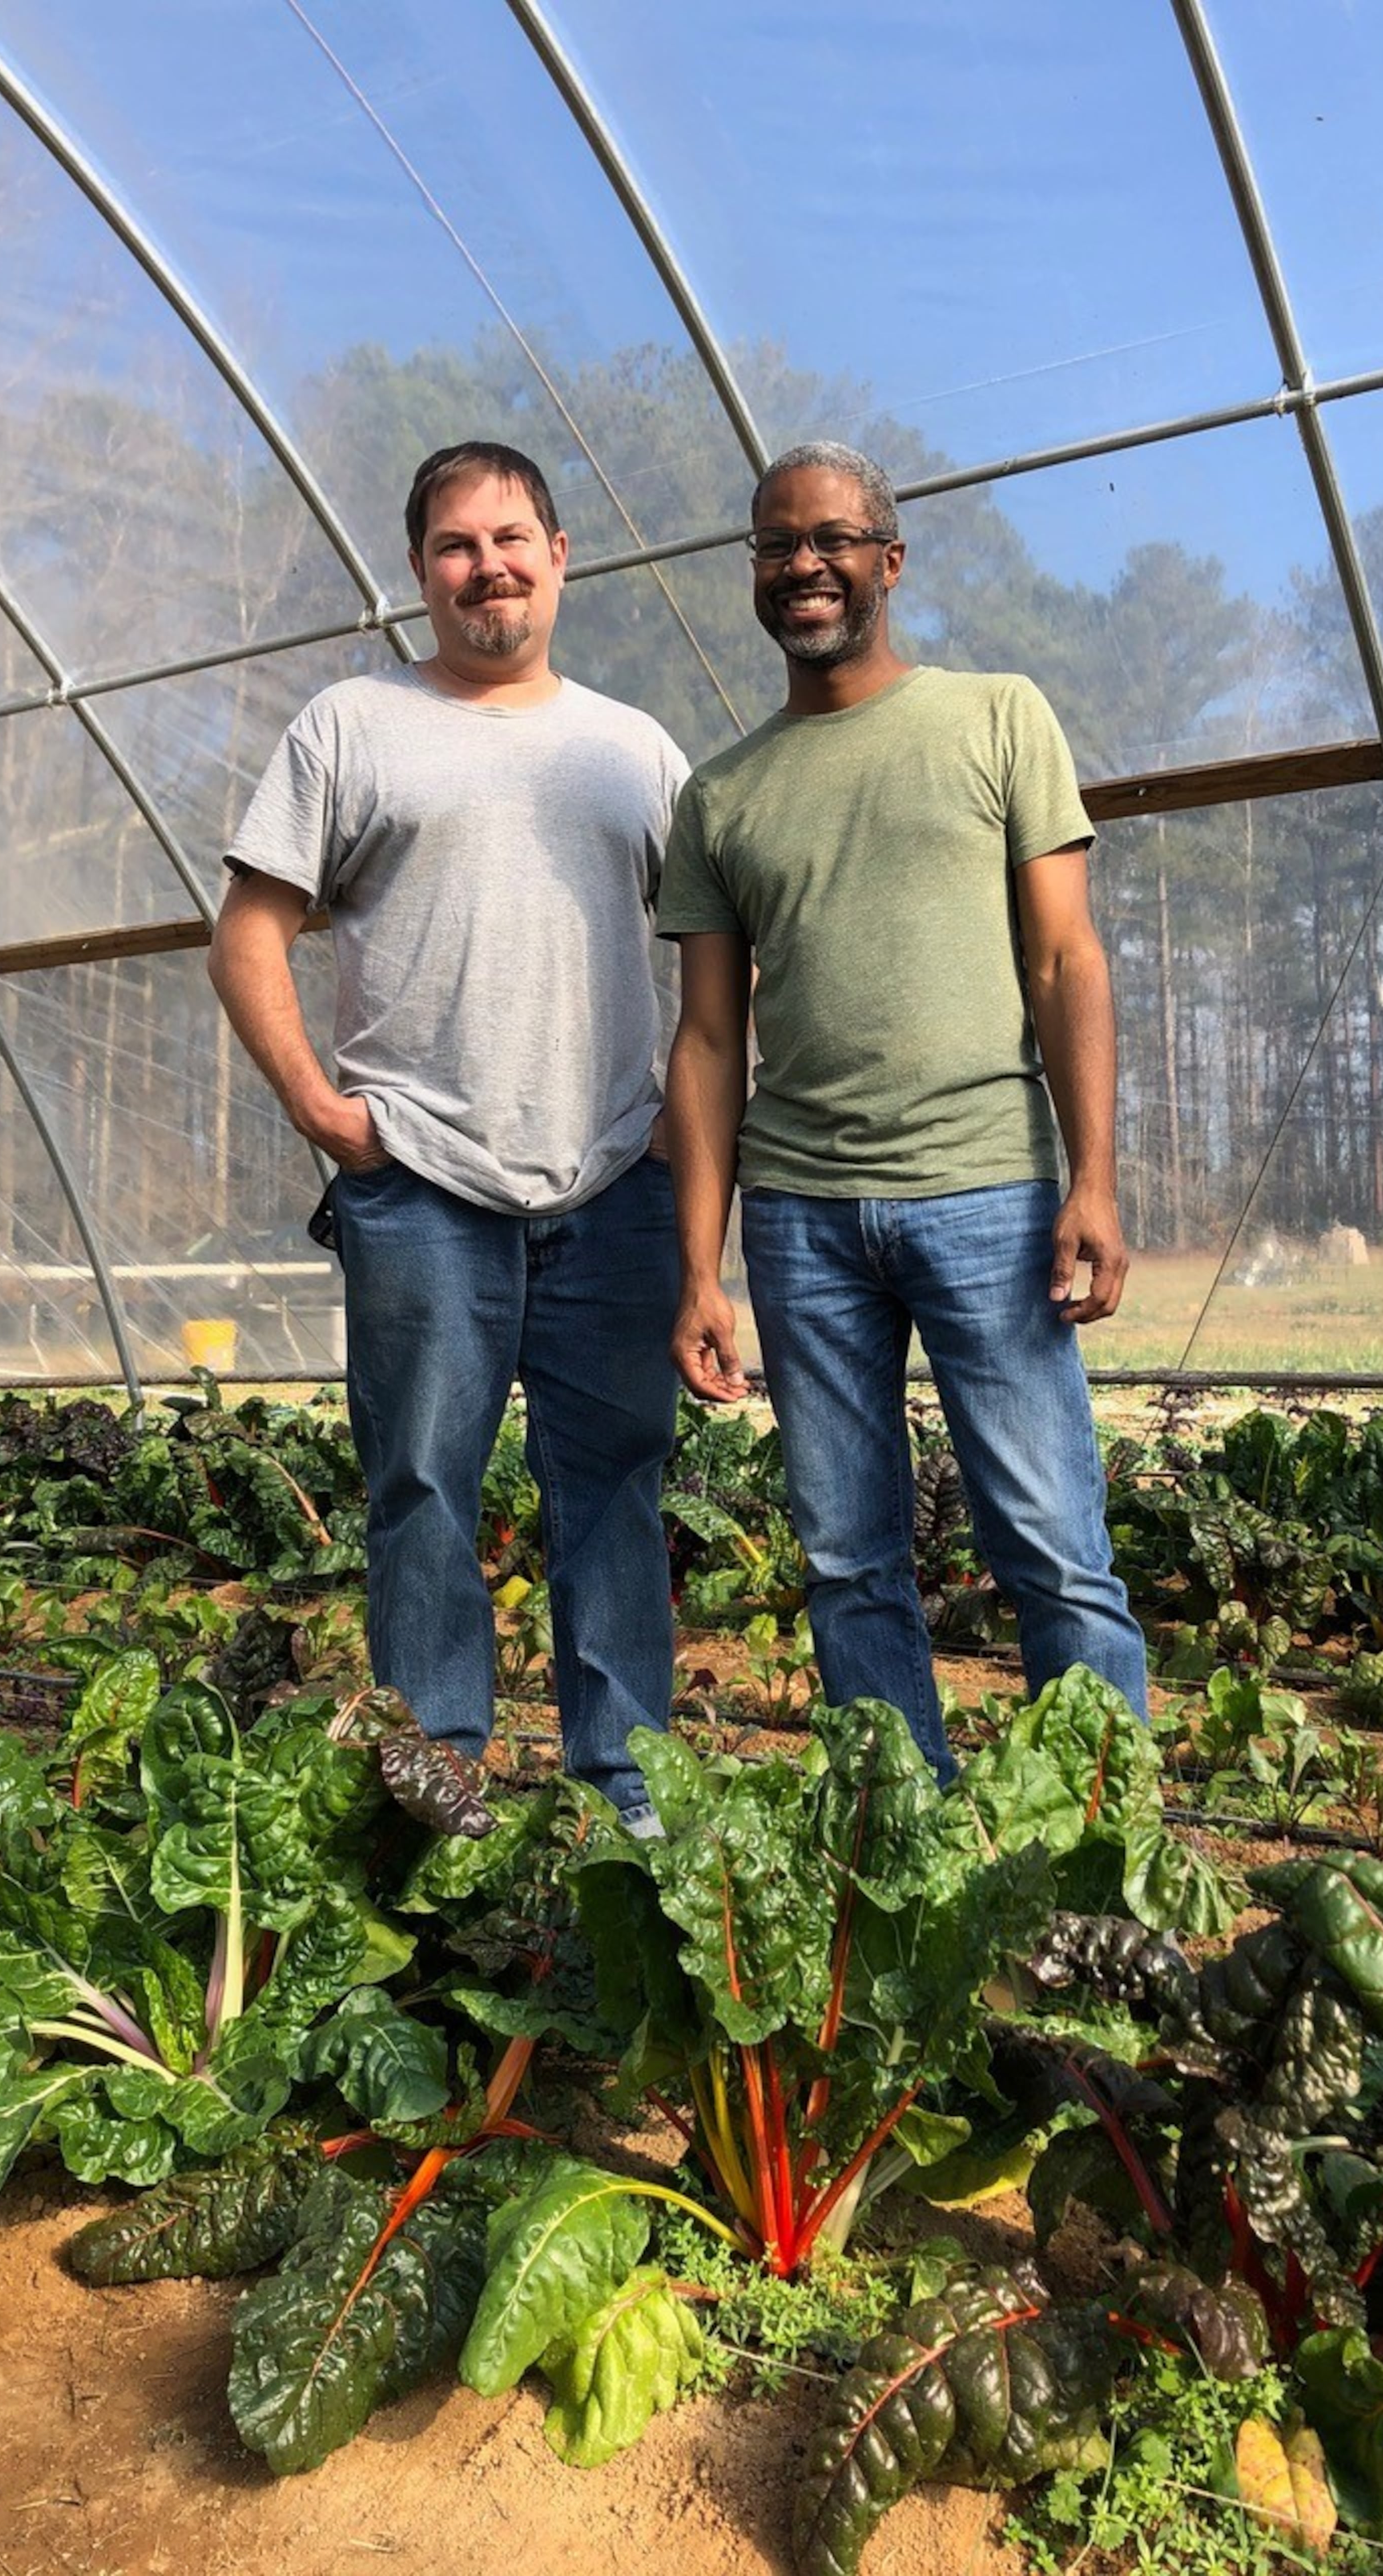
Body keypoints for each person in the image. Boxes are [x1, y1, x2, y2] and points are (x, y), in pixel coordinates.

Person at [210, 439, 686, 1835]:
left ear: (561, 555)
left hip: (612, 1183)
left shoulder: (632, 748)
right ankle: (444, 1784)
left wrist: (689, 1123)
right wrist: (322, 1110)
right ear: (420, 573)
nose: (489, 565)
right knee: (421, 1487)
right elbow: (247, 939)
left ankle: (628, 1796)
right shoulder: (352, 727)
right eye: (457, 546)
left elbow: (723, 955)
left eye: (513, 537)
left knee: (613, 1488)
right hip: (417, 1183)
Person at [658, 440, 1147, 1782]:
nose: (802, 566)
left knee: (1050, 1543)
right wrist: (699, 1267)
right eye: (775, 545)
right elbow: (707, 1041)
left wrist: (1093, 1181)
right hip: (803, 1220)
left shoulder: (998, 719)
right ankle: (904, 1839)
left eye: (828, 539)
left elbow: (1065, 962)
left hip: (986, 1192)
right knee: (847, 1559)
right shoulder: (724, 794)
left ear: (888, 559)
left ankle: (1104, 1848)